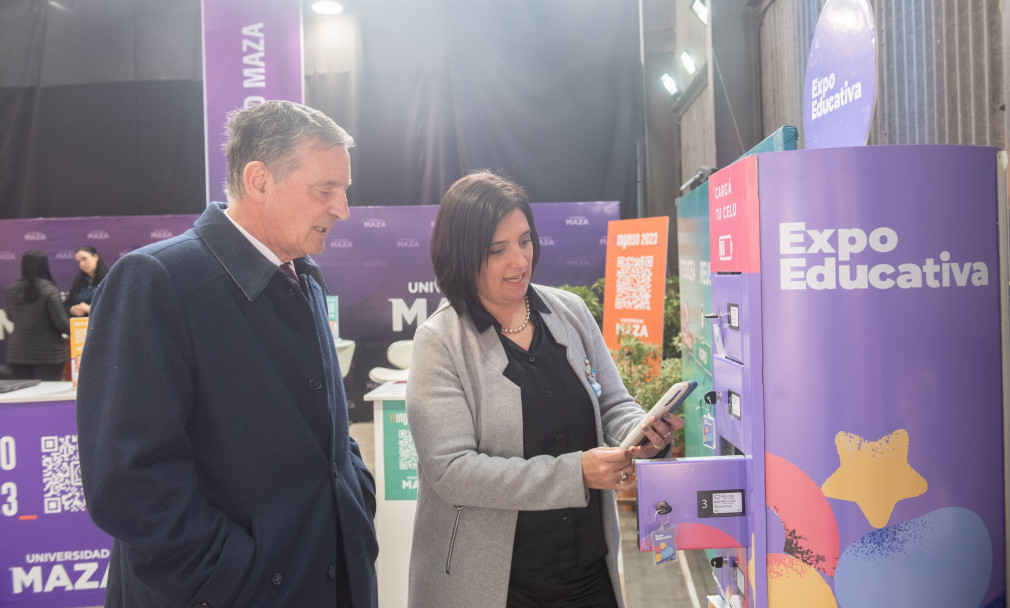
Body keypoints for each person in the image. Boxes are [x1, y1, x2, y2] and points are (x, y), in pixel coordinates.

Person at [76, 100, 378, 608]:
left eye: (343, 191)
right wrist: (232, 576)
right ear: (259, 180)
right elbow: (129, 480)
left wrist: (355, 504)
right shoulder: (157, 281)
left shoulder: (300, 276)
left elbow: (327, 432)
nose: (341, 209)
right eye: (325, 190)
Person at [405, 170, 684, 608]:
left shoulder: (568, 312)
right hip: (495, 584)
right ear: (461, 255)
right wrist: (576, 474)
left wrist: (641, 433)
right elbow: (451, 470)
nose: (519, 260)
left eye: (525, 240)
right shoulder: (440, 342)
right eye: (497, 250)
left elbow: (612, 404)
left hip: (587, 569)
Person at [3, 250, 70, 380]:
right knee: (47, 397)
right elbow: (60, 323)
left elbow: (11, 317)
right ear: (44, 265)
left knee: (23, 398)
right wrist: (80, 331)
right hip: (48, 354)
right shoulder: (49, 290)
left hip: (18, 353)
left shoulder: (11, 290)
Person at [63, 245, 109, 317]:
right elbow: (66, 305)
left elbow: (115, 306)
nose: (82, 264)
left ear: (95, 257)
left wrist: (90, 309)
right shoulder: (79, 280)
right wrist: (73, 309)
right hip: (81, 325)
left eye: (84, 259)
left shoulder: (109, 278)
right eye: (79, 261)